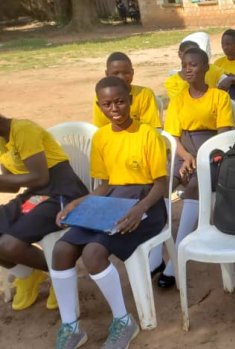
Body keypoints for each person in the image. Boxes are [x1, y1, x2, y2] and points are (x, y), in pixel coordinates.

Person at [51, 76, 168, 349]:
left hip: (146, 203)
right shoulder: (101, 137)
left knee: (93, 252)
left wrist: (140, 210)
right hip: (111, 201)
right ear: (99, 105)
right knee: (62, 249)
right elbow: (103, 186)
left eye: (119, 101)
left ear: (130, 100)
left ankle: (123, 320)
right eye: (107, 104)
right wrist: (78, 203)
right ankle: (71, 326)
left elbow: (160, 185)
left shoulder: (148, 134)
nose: (114, 108)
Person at [158, 47, 234, 288]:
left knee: (192, 188)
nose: (188, 69)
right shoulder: (178, 100)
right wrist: (186, 157)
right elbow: (173, 136)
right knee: (161, 185)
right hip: (184, 153)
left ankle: (176, 260)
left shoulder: (219, 97)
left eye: (193, 64)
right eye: (184, 65)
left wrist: (199, 159)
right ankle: (155, 253)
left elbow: (223, 136)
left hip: (212, 154)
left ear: (206, 67)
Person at [0, 115, 87, 312]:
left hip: (62, 192)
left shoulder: (22, 130)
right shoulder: (2, 139)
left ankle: (59, 276)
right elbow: (12, 186)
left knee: (9, 245)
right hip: (36, 194)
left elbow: (40, 177)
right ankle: (27, 275)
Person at [93, 52, 161, 129]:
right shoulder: (102, 98)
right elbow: (100, 128)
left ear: (132, 72)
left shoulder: (145, 94)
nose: (121, 77)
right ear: (107, 74)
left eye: (126, 73)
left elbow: (151, 127)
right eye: (115, 73)